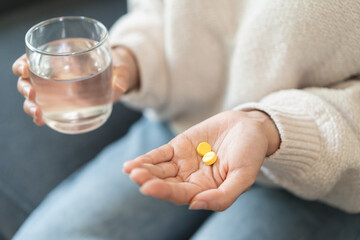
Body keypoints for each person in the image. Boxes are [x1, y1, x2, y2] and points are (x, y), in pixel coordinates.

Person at [11, 0, 360, 239]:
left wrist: (268, 128)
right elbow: (158, 14)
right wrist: (127, 61)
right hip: (182, 132)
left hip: (325, 165)